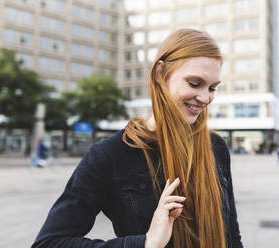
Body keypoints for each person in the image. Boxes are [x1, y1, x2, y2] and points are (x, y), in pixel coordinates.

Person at [32, 29, 243, 248]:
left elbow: (232, 238)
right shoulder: (112, 154)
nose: (205, 98)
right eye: (194, 83)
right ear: (160, 75)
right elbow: (49, 243)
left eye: (212, 88)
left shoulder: (215, 147)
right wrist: (146, 243)